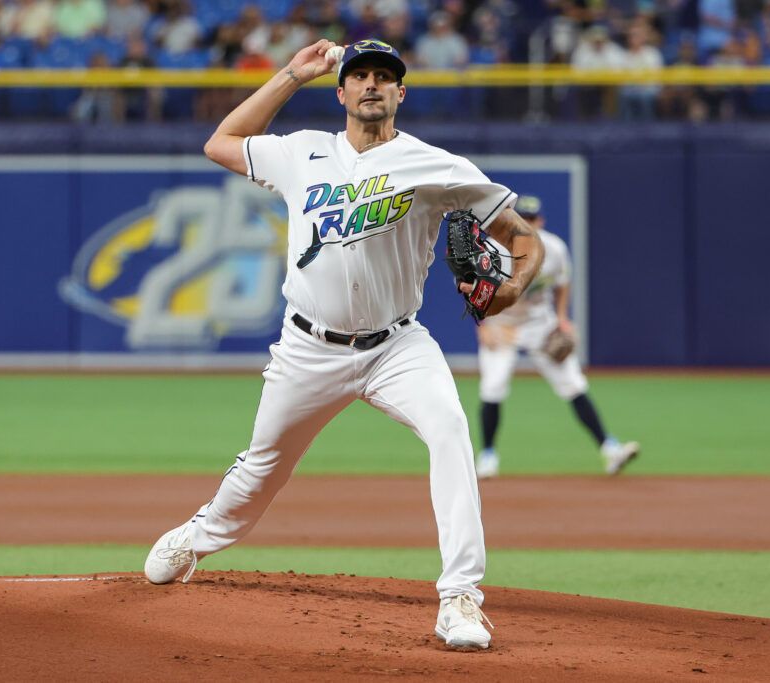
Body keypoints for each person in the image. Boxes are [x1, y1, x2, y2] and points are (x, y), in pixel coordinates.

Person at [143, 38, 544, 652]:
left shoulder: (436, 165)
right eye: (360, 77)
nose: (372, 85)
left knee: (451, 432)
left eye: (385, 77)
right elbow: (219, 142)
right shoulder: (301, 152)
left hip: (398, 346)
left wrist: (513, 288)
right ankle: (196, 536)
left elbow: (522, 237)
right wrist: (289, 75)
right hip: (308, 348)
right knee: (261, 469)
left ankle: (460, 597)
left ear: (401, 93)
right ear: (342, 91)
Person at [474, 195, 639, 479]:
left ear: (541, 221)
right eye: (521, 219)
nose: (527, 224)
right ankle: (488, 455)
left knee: (573, 383)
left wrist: (562, 318)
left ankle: (610, 449)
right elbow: (470, 287)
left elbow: (563, 284)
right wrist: (482, 327)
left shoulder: (554, 249)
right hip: (502, 324)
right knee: (493, 387)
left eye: (532, 219)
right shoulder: (492, 251)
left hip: (540, 323)